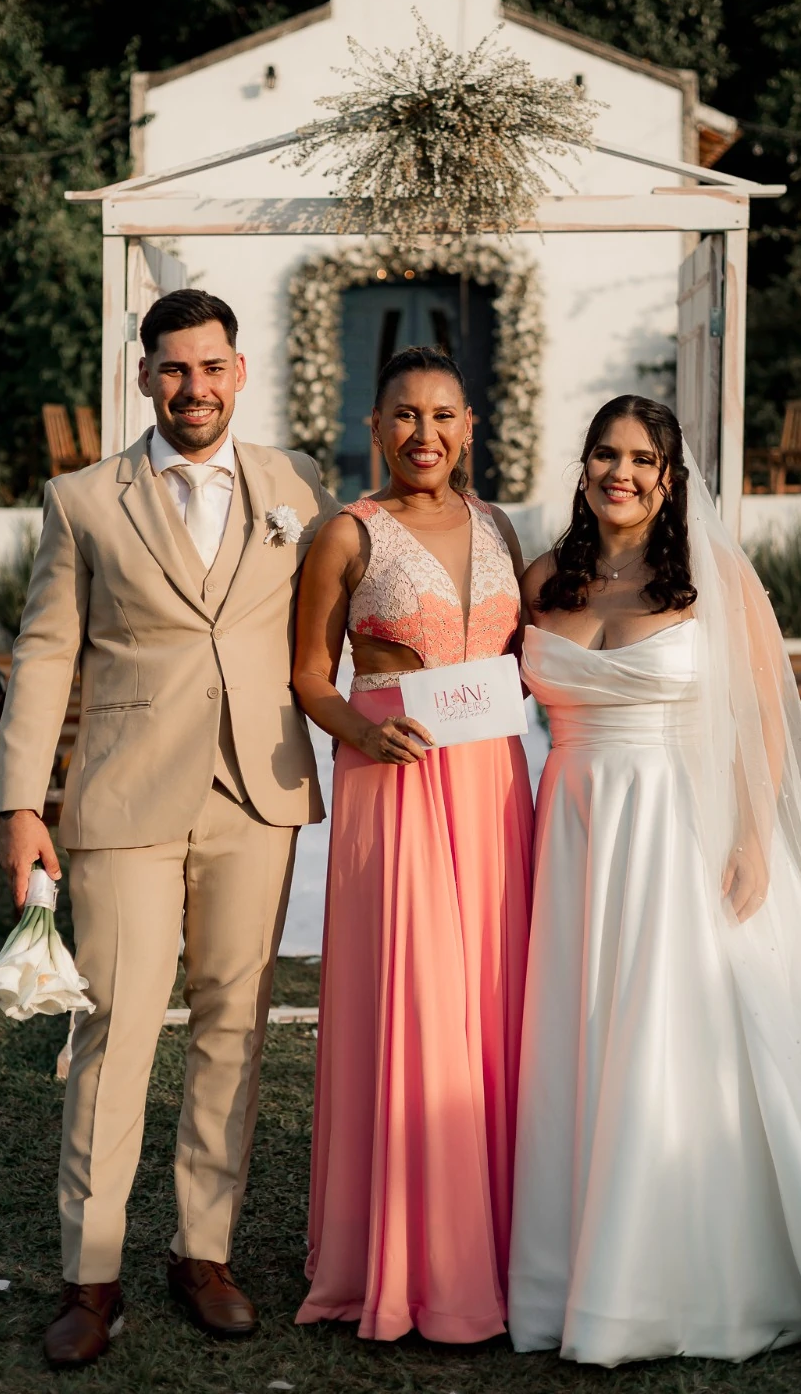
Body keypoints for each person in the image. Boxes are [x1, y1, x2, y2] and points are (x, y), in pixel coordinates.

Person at [508, 394, 801, 1372]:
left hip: (679, 829)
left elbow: (760, 721)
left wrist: (751, 836)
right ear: (582, 467)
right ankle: (568, 1263)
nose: (620, 472)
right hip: (572, 833)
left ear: (669, 478)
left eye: (641, 459)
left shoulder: (716, 580)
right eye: (605, 454)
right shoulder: (541, 580)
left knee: (679, 1032)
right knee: (585, 1032)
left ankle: (671, 1272)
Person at [0, 288, 338, 1368]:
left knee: (234, 1028)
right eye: (173, 369)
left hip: (257, 794)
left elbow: (329, 628)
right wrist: (18, 804)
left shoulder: (295, 487)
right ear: (144, 377)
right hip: (125, 802)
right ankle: (90, 1276)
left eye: (212, 367)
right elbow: (47, 651)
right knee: (115, 1034)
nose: (194, 388)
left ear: (240, 372)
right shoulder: (86, 498)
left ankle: (204, 1252)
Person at [292, 345, 534, 1342]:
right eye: (403, 414)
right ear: (373, 425)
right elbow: (307, 673)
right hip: (391, 785)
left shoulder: (500, 526)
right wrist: (359, 731)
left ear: (470, 426)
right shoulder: (345, 533)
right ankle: (400, 1262)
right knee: (413, 1009)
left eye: (443, 414)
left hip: (491, 794)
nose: (423, 432)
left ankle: (504, 1244)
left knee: (490, 1007)